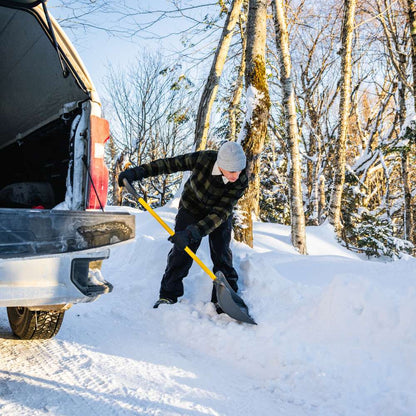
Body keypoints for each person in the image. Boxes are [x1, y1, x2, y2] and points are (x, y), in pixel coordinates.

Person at [118, 141, 248, 311]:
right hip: (191, 208)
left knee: (222, 253)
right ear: (221, 164)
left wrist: (193, 233)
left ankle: (224, 300)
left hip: (217, 215)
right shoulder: (204, 159)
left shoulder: (241, 179)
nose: (235, 175)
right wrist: (138, 172)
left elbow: (221, 212)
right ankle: (167, 295)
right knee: (181, 253)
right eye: (232, 171)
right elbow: (170, 164)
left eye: (239, 170)